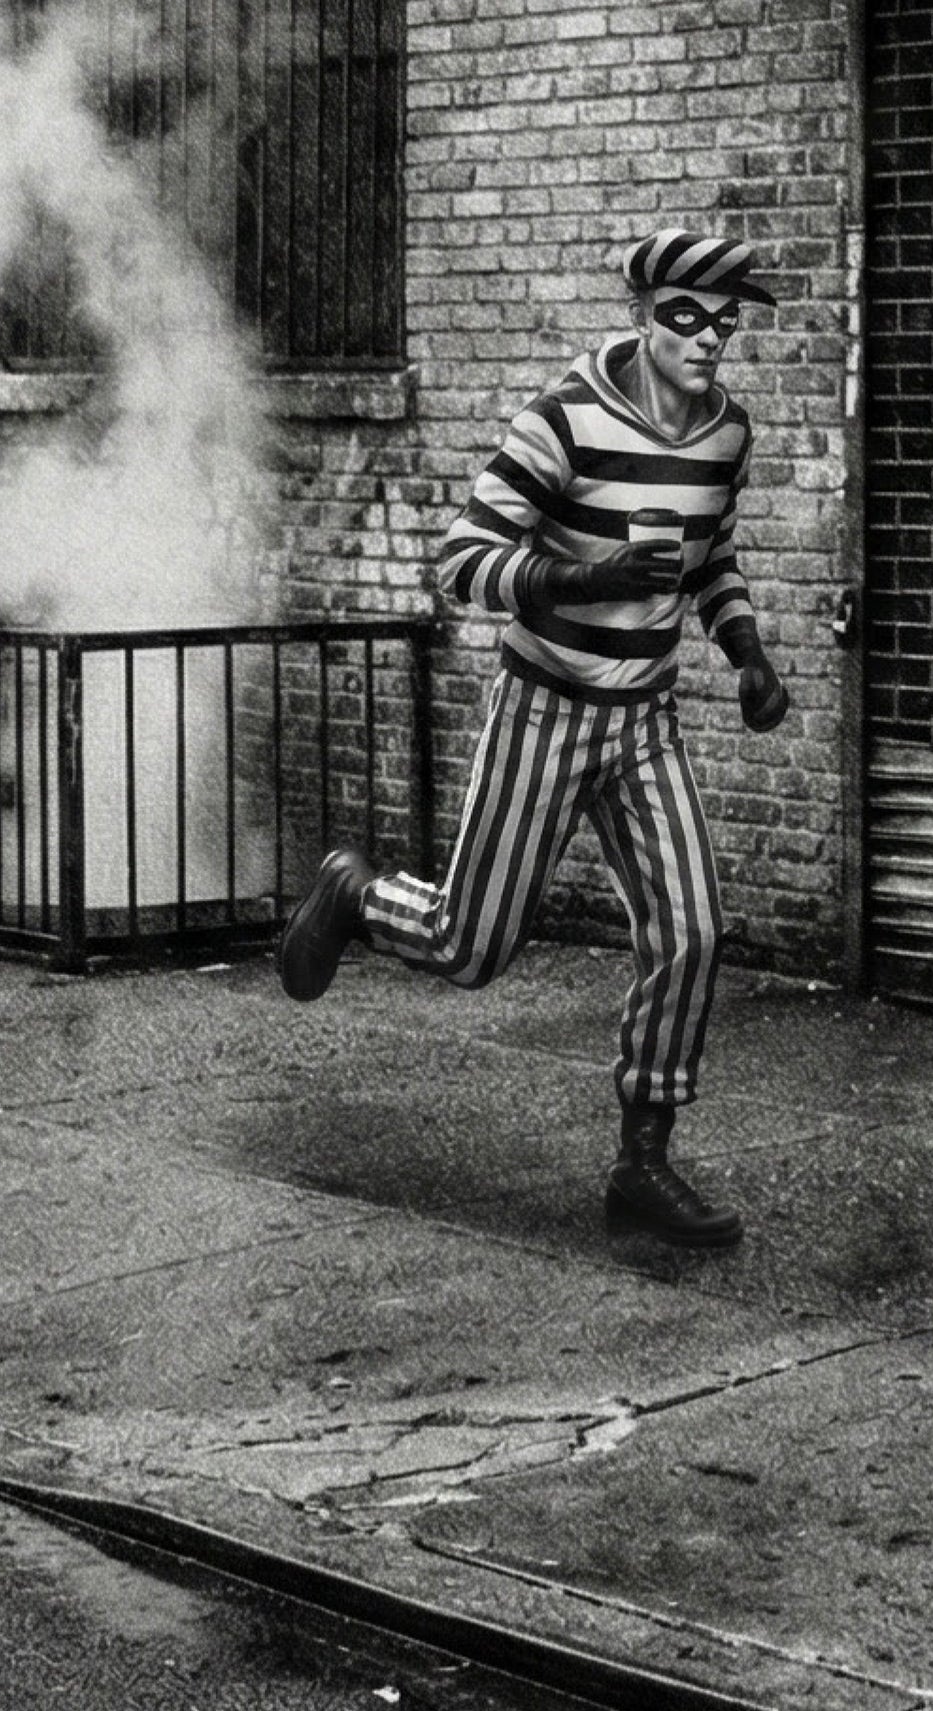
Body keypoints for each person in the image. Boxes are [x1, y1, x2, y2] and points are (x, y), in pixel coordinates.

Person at [275, 229, 792, 1248]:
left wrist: (746, 654)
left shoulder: (728, 434)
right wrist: (576, 579)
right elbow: (461, 561)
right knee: (471, 947)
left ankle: (642, 1162)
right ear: (642, 316)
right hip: (544, 709)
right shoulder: (562, 419)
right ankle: (356, 893)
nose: (708, 337)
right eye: (685, 315)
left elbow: (711, 558)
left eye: (724, 319)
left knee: (691, 929)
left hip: (643, 717)